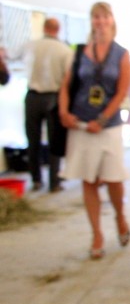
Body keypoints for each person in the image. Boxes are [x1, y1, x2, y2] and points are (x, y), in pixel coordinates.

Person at [58, 2, 130, 260]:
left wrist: (102, 119)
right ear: (91, 21)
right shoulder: (78, 52)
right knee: (88, 179)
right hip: (80, 124)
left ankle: (120, 217)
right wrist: (64, 111)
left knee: (113, 178)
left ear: (112, 19)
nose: (100, 21)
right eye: (95, 17)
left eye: (104, 17)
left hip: (107, 126)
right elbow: (66, 85)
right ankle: (96, 234)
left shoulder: (121, 54)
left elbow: (122, 90)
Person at [24, 18, 74, 192]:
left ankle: (36, 179)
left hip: (32, 96)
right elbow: (68, 79)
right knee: (55, 141)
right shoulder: (64, 50)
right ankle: (54, 181)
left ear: (44, 28)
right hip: (53, 97)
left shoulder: (31, 45)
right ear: (58, 29)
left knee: (33, 140)